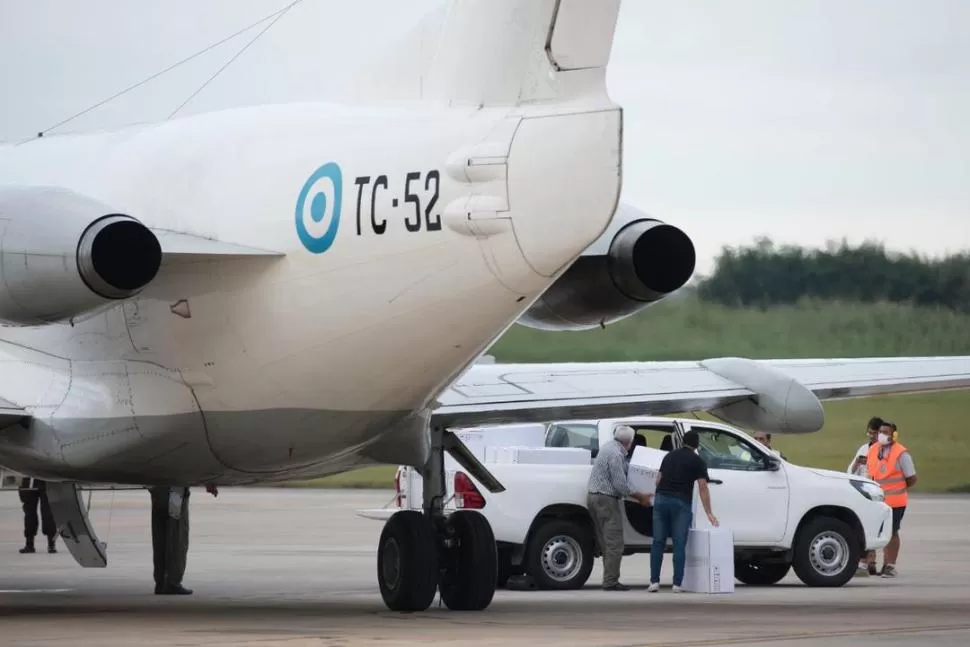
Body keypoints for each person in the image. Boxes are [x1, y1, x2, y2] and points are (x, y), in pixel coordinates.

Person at [649, 430, 718, 593]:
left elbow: (658, 479)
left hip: (661, 500)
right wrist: (709, 512)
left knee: (658, 542)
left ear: (682, 442)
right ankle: (676, 584)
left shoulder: (669, 456)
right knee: (679, 543)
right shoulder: (698, 461)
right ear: (697, 445)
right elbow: (703, 487)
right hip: (681, 503)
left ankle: (654, 582)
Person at [586, 425, 650, 591]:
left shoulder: (609, 447)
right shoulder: (616, 454)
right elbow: (620, 485)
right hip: (606, 500)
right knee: (615, 542)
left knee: (606, 542)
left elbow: (624, 468)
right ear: (629, 442)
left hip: (594, 497)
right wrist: (640, 497)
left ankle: (609, 578)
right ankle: (610, 581)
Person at [867, 421, 916, 578]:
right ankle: (870, 563)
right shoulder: (873, 449)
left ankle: (889, 565)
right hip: (876, 501)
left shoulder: (901, 453)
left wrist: (898, 488)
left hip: (895, 501)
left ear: (894, 435)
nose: (882, 435)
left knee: (891, 532)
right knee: (874, 531)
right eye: (881, 431)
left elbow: (912, 478)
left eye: (886, 432)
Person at [150, 483, 219, 595]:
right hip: (175, 491)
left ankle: (161, 582)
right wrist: (208, 481)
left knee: (160, 537)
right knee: (177, 536)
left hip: (157, 489)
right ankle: (172, 582)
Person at [849, 416, 883, 576]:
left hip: (877, 492)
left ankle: (869, 561)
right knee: (862, 526)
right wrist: (857, 464)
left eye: (874, 433)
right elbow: (850, 471)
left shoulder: (884, 450)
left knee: (874, 528)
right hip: (862, 492)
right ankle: (868, 561)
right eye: (869, 432)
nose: (871, 436)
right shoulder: (863, 449)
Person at [17, 476, 57, 554]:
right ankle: (30, 543)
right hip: (30, 479)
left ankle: (51, 543)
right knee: (30, 513)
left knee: (47, 513)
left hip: (45, 478)